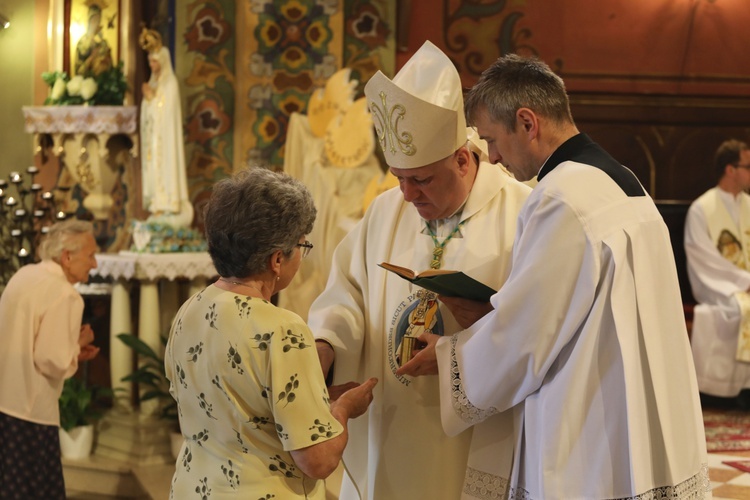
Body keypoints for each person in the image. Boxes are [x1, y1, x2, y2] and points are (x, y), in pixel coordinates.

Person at [397, 53, 710, 498]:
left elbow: (526, 337)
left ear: (527, 122)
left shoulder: (559, 198)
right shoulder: (624, 180)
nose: (494, 156)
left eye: (493, 139)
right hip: (640, 400)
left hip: (592, 414)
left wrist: (451, 358)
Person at [308, 41, 531, 499]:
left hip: (472, 431)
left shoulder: (521, 214)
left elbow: (534, 325)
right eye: (399, 178)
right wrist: (327, 345)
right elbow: (347, 292)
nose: (407, 196)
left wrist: (460, 358)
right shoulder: (385, 212)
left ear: (463, 159)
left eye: (423, 180)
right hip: (391, 416)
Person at [164, 167, 377, 499]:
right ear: (278, 258)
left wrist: (316, 399)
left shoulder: (190, 309)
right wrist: (343, 409)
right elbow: (317, 460)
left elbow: (233, 404)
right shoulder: (283, 329)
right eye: (302, 246)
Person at [0, 219, 101, 499]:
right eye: (90, 255)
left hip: (4, 402)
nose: (94, 264)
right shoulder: (66, 295)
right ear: (67, 257)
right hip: (31, 411)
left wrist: (71, 349)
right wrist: (79, 342)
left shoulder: (26, 275)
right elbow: (50, 360)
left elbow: (27, 339)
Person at [685, 139, 750, 407]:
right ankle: (729, 392)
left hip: (744, 284)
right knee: (739, 309)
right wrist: (745, 282)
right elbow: (705, 260)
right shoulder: (702, 209)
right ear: (730, 169)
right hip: (718, 285)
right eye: (747, 166)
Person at [139, 27, 194, 228]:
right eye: (150, 62)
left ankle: (169, 204)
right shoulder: (154, 83)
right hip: (154, 141)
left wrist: (152, 100)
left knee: (166, 170)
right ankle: (157, 205)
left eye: (155, 61)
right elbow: (149, 113)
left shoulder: (170, 84)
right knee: (155, 170)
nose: (152, 66)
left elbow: (166, 113)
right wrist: (148, 101)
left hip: (165, 140)